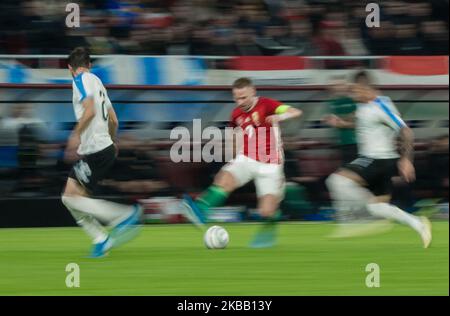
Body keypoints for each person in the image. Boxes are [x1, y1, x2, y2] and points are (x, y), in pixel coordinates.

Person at [183, 77, 302, 248]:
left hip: (270, 165)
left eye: (244, 97)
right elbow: (236, 134)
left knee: (266, 211)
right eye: (236, 98)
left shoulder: (267, 104)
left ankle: (272, 218)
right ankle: (200, 210)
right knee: (224, 179)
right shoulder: (236, 113)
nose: (240, 101)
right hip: (246, 158)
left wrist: (279, 117)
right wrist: (232, 155)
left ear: (253, 91)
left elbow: (296, 112)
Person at [325, 83, 432, 248]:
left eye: (358, 91)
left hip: (378, 159)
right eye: (353, 93)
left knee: (336, 180)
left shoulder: (382, 105)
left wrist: (407, 160)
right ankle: (418, 224)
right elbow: (359, 121)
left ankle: (355, 221)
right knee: (378, 207)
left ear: (370, 90)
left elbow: (406, 131)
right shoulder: (363, 106)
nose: (355, 96)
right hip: (378, 162)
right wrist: (340, 123)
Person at [61, 47, 141, 258]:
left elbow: (90, 111)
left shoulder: (79, 81)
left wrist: (74, 135)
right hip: (103, 148)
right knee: (73, 198)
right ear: (90, 65)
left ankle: (122, 216)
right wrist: (112, 141)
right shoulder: (98, 83)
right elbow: (114, 119)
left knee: (70, 198)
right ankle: (101, 239)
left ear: (70, 68)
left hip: (95, 149)